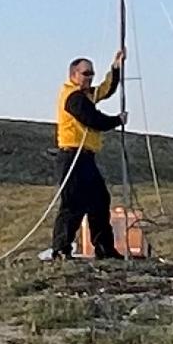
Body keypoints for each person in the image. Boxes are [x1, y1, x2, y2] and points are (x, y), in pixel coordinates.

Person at [49, 49, 126, 260]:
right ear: (73, 75)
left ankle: (104, 248)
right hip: (72, 157)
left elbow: (105, 90)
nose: (90, 77)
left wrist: (116, 68)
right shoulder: (72, 96)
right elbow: (92, 118)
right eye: (86, 73)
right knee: (72, 204)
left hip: (86, 157)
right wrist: (117, 120)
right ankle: (61, 249)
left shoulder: (86, 94)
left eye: (92, 73)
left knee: (99, 201)